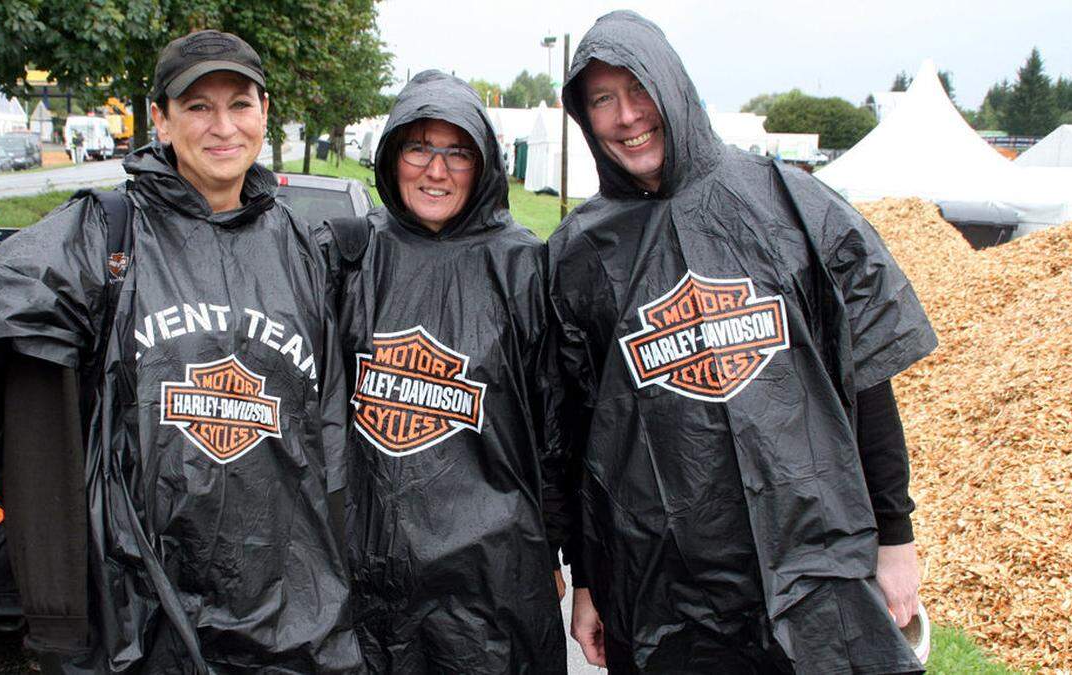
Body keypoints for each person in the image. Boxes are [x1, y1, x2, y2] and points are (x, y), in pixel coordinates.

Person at [0, 30, 363, 673]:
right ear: (160, 121)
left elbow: (328, 431)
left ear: (265, 114)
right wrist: (58, 610)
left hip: (284, 615)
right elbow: (19, 338)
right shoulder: (102, 234)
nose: (223, 127)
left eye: (241, 104)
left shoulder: (299, 246)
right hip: (139, 610)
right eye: (198, 106)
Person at [546, 11, 935, 674]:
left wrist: (894, 537)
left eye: (638, 90)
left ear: (673, 87)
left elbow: (867, 379)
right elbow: (577, 435)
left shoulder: (789, 204)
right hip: (663, 584)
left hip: (811, 560)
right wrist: (587, 580)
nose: (627, 116)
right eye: (603, 100)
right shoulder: (581, 254)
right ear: (585, 119)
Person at [317, 70, 566, 674]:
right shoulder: (347, 257)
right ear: (392, 154)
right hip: (367, 570)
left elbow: (559, 428)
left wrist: (561, 553)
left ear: (483, 164)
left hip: (490, 580)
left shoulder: (522, 267)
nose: (436, 170)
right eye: (419, 147)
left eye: (457, 152)